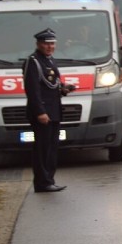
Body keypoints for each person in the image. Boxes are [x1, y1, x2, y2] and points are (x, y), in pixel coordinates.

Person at [23, 28, 73, 193]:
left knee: (51, 148)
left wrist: (64, 89)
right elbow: (33, 90)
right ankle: (42, 183)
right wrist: (40, 112)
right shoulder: (34, 61)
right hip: (44, 113)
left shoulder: (49, 60)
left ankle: (49, 180)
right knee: (42, 149)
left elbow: (51, 86)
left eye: (52, 43)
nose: (50, 46)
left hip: (54, 110)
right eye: (46, 43)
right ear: (38, 44)